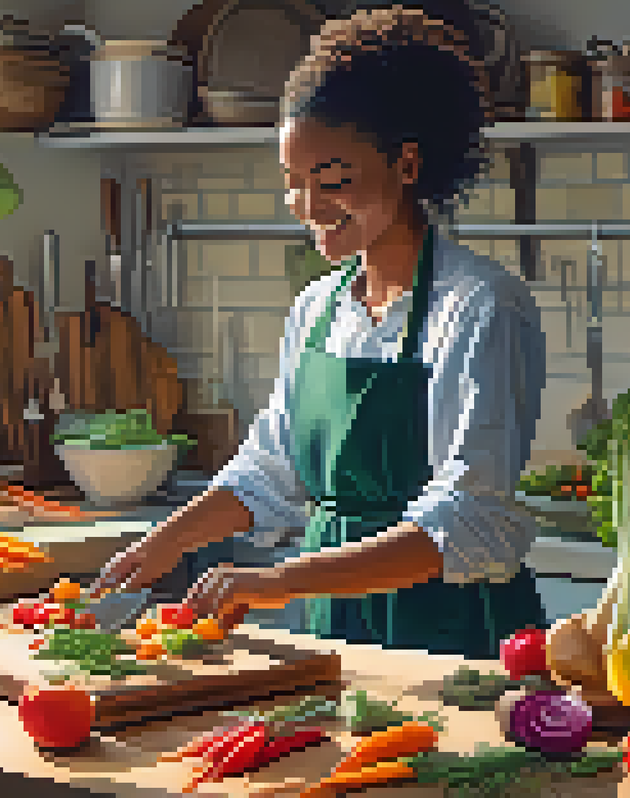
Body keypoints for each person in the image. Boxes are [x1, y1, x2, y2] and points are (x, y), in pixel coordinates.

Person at [90, 6, 548, 660]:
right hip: (337, 620)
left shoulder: (479, 306)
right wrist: (164, 541)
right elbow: (270, 471)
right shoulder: (318, 307)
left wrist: (277, 581)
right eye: (292, 184)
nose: (308, 207)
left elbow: (470, 520)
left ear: (407, 164)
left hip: (450, 627)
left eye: (331, 180)